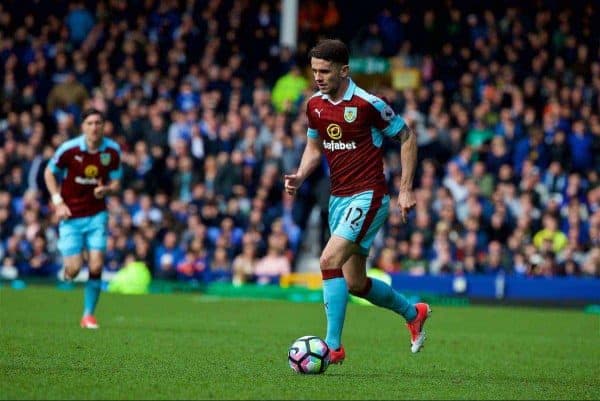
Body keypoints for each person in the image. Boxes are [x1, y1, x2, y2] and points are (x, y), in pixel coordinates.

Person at [284, 39, 430, 364]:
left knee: (327, 260)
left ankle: (333, 347)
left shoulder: (368, 104)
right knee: (354, 282)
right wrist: (300, 175)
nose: (318, 77)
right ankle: (413, 313)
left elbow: (407, 137)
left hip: (369, 195)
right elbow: (314, 146)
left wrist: (406, 189)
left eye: (325, 71)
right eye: (314, 71)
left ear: (344, 70)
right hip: (339, 197)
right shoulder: (315, 106)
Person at [44, 108, 122, 329]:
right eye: (90, 123)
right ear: (83, 127)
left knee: (96, 265)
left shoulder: (113, 151)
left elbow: (117, 183)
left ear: (104, 126)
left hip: (97, 214)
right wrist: (58, 201)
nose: (94, 127)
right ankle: (68, 267)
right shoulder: (69, 150)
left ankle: (88, 315)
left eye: (98, 122)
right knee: (74, 270)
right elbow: (49, 173)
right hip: (71, 216)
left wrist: (106, 190)